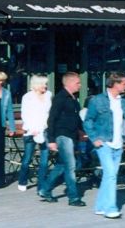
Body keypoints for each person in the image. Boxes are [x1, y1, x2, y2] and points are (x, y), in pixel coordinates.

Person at [84, 72, 125, 219]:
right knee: (111, 174)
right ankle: (111, 208)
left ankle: (100, 206)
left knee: (110, 175)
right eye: (124, 83)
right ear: (115, 84)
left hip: (118, 143)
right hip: (104, 142)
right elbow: (88, 121)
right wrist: (94, 138)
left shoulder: (123, 102)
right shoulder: (97, 100)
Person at [40, 72, 86, 207]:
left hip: (72, 135)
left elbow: (76, 118)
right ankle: (73, 197)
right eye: (78, 83)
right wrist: (52, 139)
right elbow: (52, 118)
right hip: (62, 135)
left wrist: (82, 131)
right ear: (70, 83)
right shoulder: (60, 98)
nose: (80, 85)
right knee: (71, 166)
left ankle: (45, 190)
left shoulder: (73, 99)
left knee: (62, 165)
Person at [17, 74, 52, 193]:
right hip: (31, 131)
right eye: (43, 84)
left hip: (44, 130)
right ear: (36, 85)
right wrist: (32, 129)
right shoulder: (27, 97)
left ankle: (41, 185)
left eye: (46, 84)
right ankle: (22, 180)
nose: (45, 86)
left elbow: (49, 113)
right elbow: (25, 114)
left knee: (44, 159)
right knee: (27, 158)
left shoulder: (48, 95)